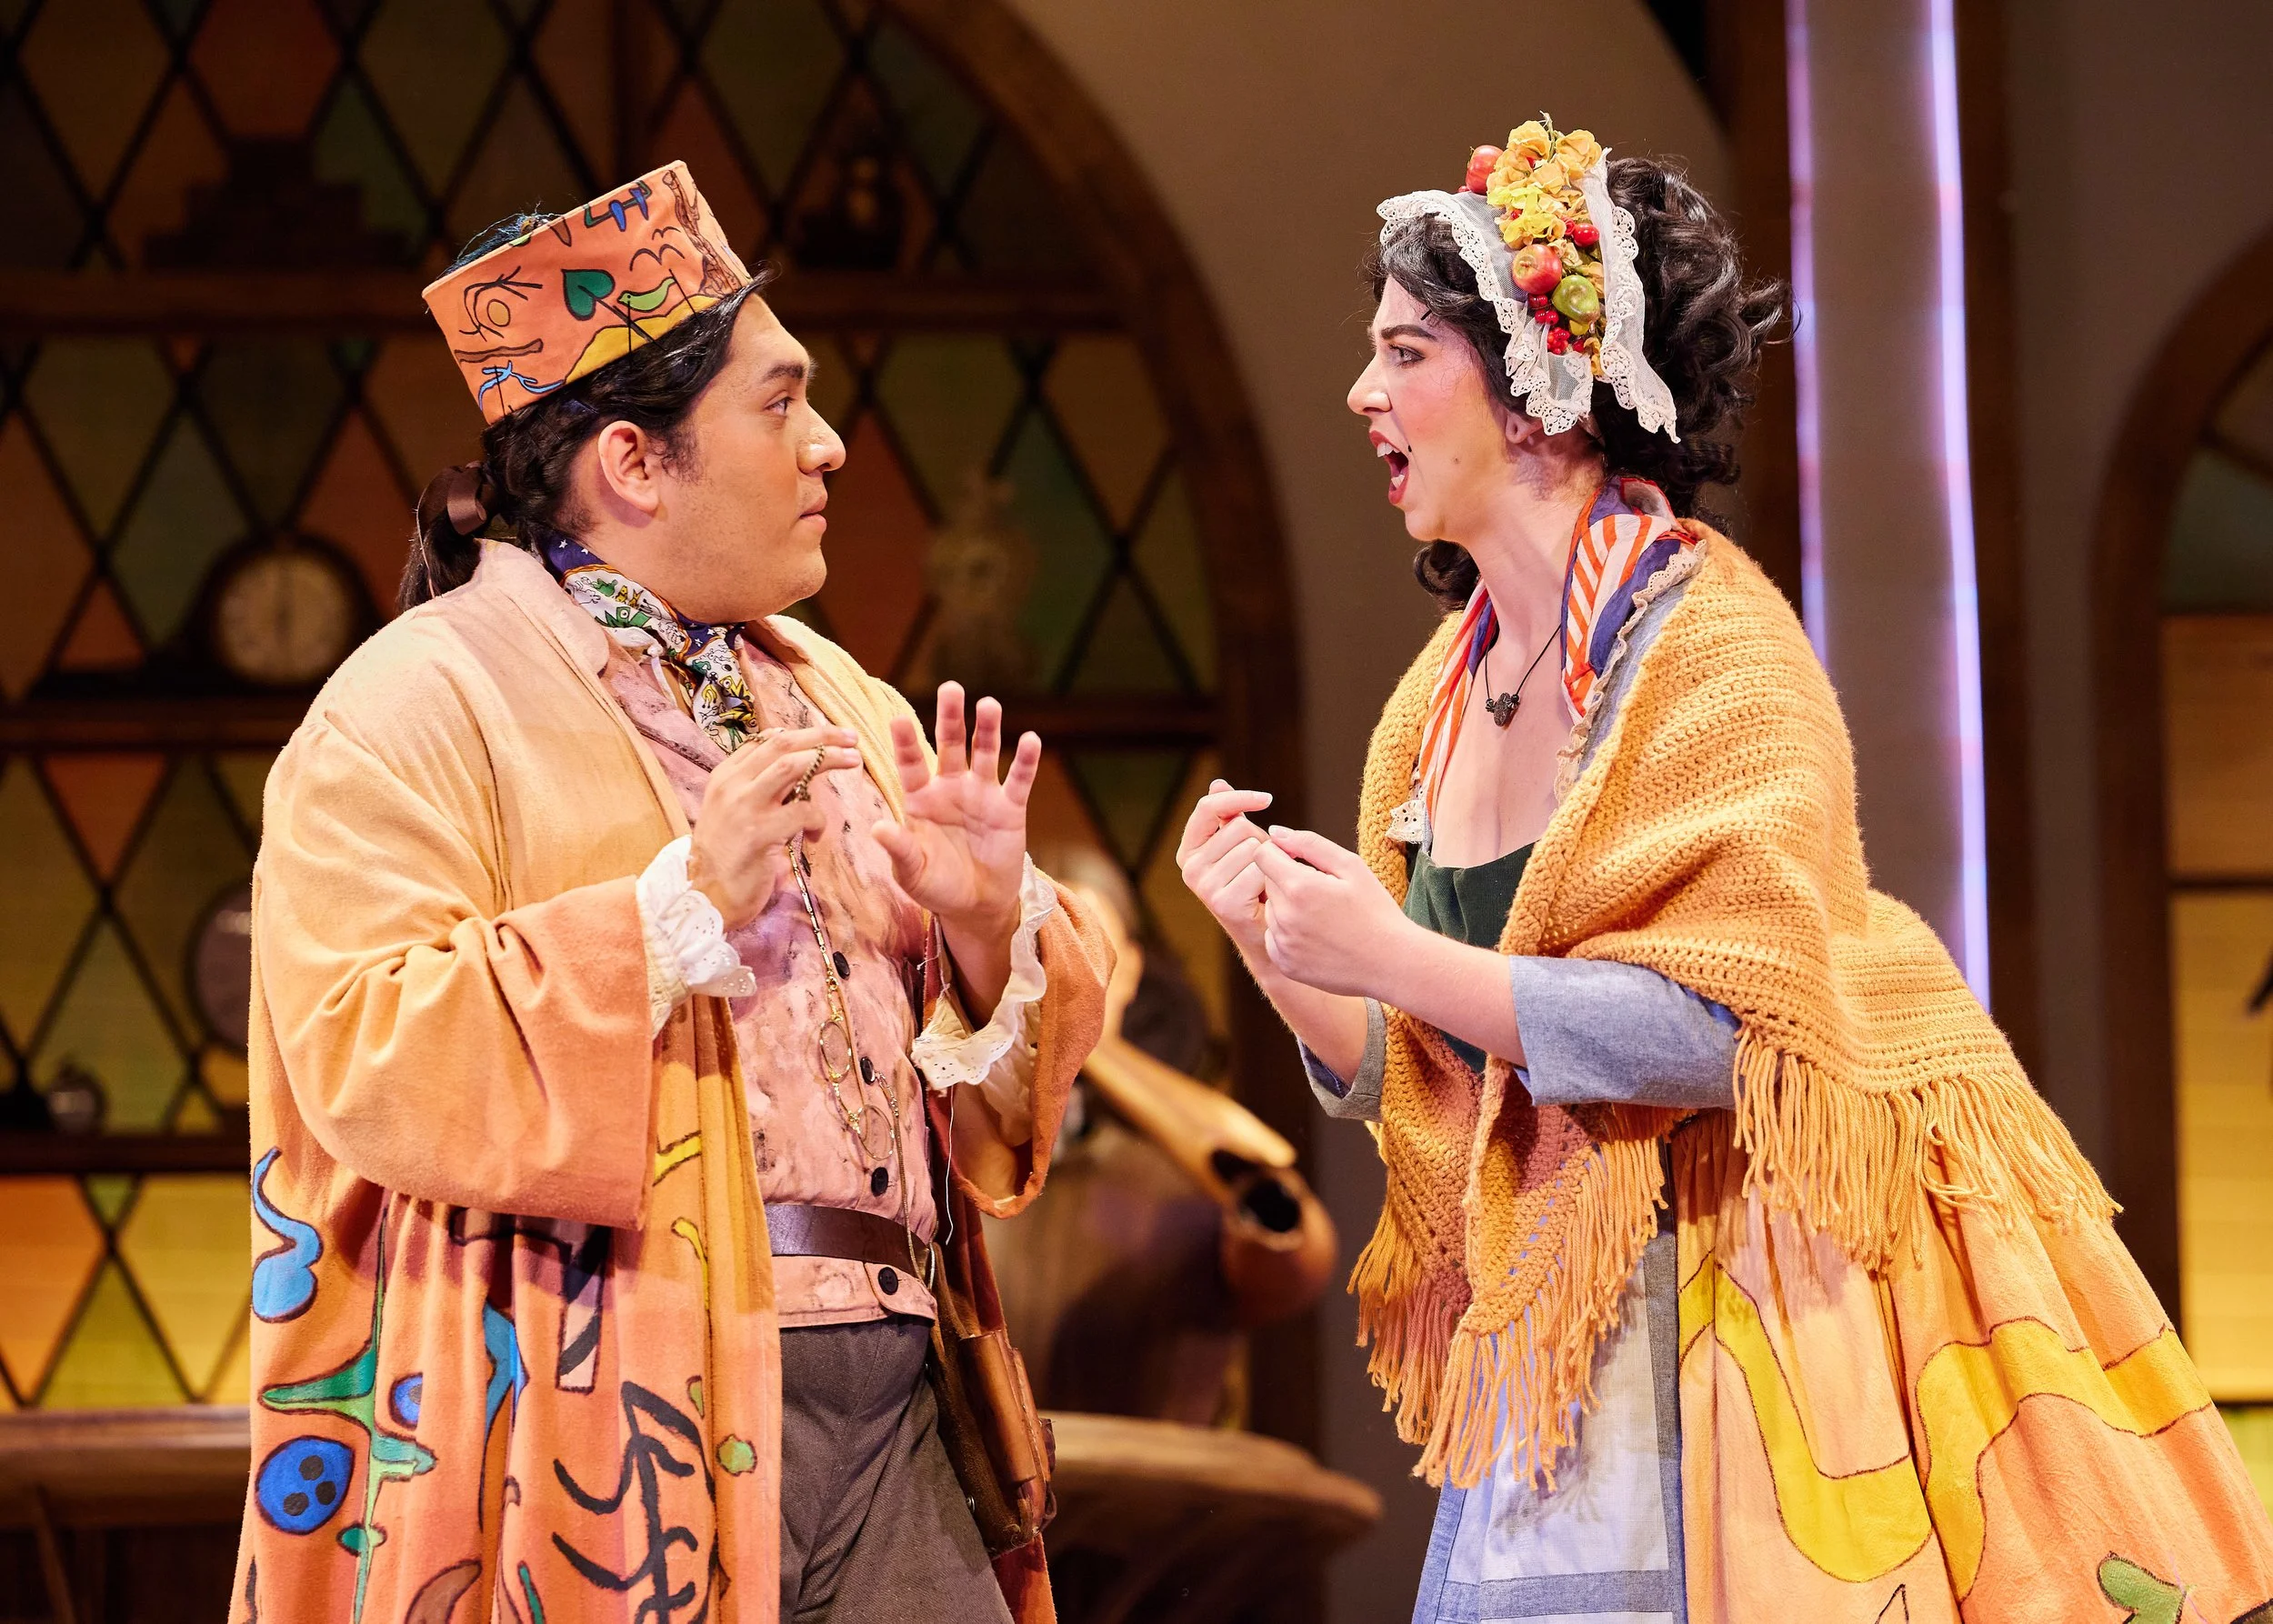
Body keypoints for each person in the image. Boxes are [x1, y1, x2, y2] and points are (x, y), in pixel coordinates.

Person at [1177, 118, 2273, 1623]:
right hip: (1553, 1348)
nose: (1365, 392)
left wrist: (1399, 955)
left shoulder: (1710, 650)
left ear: (1543, 386)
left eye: (1407, 352)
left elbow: (1732, 1028)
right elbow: (1432, 1072)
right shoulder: (1437, 701)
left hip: (1745, 1312)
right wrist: (1284, 947)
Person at [232, 162, 1109, 1624]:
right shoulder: (418, 701)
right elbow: (361, 1044)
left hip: (904, 1400)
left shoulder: (842, 694)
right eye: (780, 403)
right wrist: (664, 916)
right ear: (636, 464)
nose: (829, 444)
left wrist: (981, 923)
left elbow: (1000, 1103)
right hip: (612, 1388)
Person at [982, 845, 1337, 1426]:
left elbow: (1297, 1251)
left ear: (1132, 969)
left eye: (1085, 944)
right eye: (1033, 947)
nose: (1057, 972)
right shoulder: (962, 1159)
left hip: (1151, 1478)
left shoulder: (1187, 1167)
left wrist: (1091, 1047)